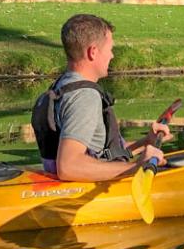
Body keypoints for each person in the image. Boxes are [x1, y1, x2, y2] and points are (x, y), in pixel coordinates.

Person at [32, 14, 171, 180]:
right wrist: (137, 167)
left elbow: (101, 152)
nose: (112, 56)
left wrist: (146, 142)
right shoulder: (84, 97)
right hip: (86, 191)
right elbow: (68, 166)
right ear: (93, 52)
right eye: (110, 49)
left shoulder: (62, 85)